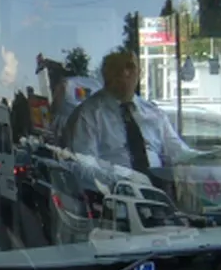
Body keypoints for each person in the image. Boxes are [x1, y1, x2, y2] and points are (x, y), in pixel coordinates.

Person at [59, 48, 193, 180]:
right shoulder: (88, 115)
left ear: (139, 73)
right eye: (116, 68)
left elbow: (179, 153)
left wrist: (210, 157)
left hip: (158, 193)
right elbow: (83, 168)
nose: (124, 73)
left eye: (130, 67)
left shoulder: (153, 113)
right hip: (113, 195)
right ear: (105, 74)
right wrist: (126, 178)